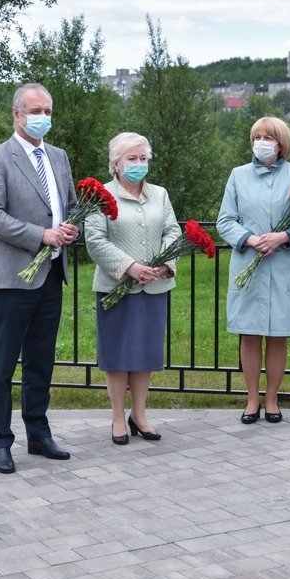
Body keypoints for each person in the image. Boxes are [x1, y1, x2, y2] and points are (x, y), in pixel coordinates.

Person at [0, 83, 79, 474]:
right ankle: (0, 442)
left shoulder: (59, 156)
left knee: (40, 362)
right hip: (12, 278)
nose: (43, 118)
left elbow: (71, 207)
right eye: (36, 111)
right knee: (2, 367)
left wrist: (71, 230)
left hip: (51, 275)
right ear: (17, 114)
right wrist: (41, 235)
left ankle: (38, 434)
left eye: (47, 111)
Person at [217, 117, 290, 424]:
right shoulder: (238, 175)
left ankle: (272, 399)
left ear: (281, 143)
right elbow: (225, 220)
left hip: (284, 265)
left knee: (277, 334)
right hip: (249, 261)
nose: (261, 142)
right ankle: (251, 400)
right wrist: (249, 239)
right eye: (257, 137)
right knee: (249, 333)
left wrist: (283, 237)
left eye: (268, 137)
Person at [84, 133, 180, 444]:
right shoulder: (100, 197)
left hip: (154, 285)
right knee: (118, 355)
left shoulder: (160, 195)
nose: (138, 164)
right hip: (116, 287)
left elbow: (172, 231)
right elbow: (95, 240)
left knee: (145, 354)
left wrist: (164, 264)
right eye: (131, 158)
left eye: (142, 158)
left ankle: (139, 415)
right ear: (116, 163)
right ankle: (117, 418)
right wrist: (129, 267)